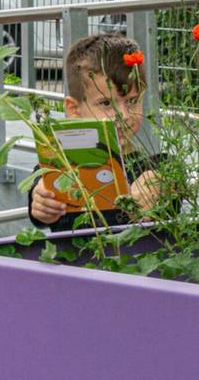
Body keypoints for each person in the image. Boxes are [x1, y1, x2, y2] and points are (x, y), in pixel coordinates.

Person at [26, 34, 165, 232]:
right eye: (106, 103)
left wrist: (163, 183)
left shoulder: (157, 165)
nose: (124, 114)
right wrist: (42, 203)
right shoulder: (57, 168)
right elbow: (40, 195)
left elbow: (172, 177)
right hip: (74, 262)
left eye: (132, 101)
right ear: (73, 110)